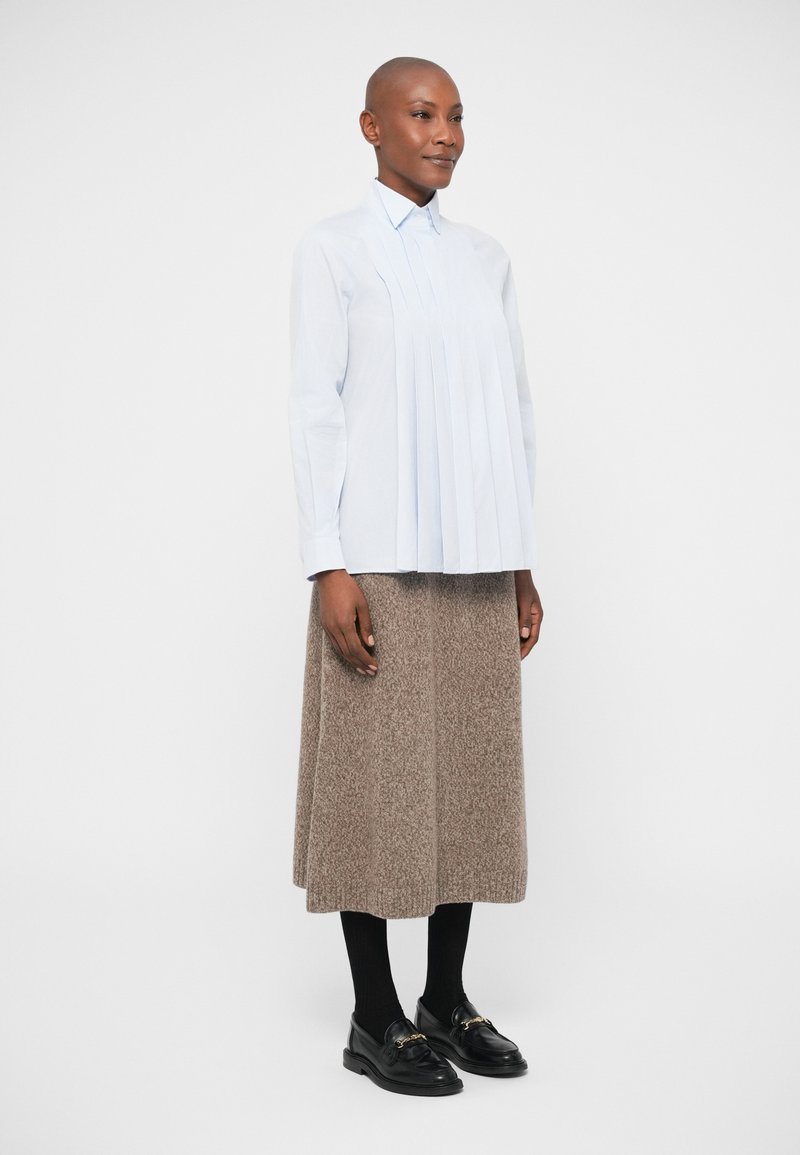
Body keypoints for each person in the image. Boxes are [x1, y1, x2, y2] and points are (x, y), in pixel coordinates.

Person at [287, 56, 544, 1097]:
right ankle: (373, 1015)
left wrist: (521, 558)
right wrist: (327, 562)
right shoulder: (334, 250)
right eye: (422, 113)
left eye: (456, 116)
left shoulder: (485, 260)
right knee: (374, 783)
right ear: (371, 127)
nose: (444, 133)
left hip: (479, 555)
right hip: (380, 558)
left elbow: (511, 412)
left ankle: (445, 997)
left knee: (467, 780)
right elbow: (313, 407)